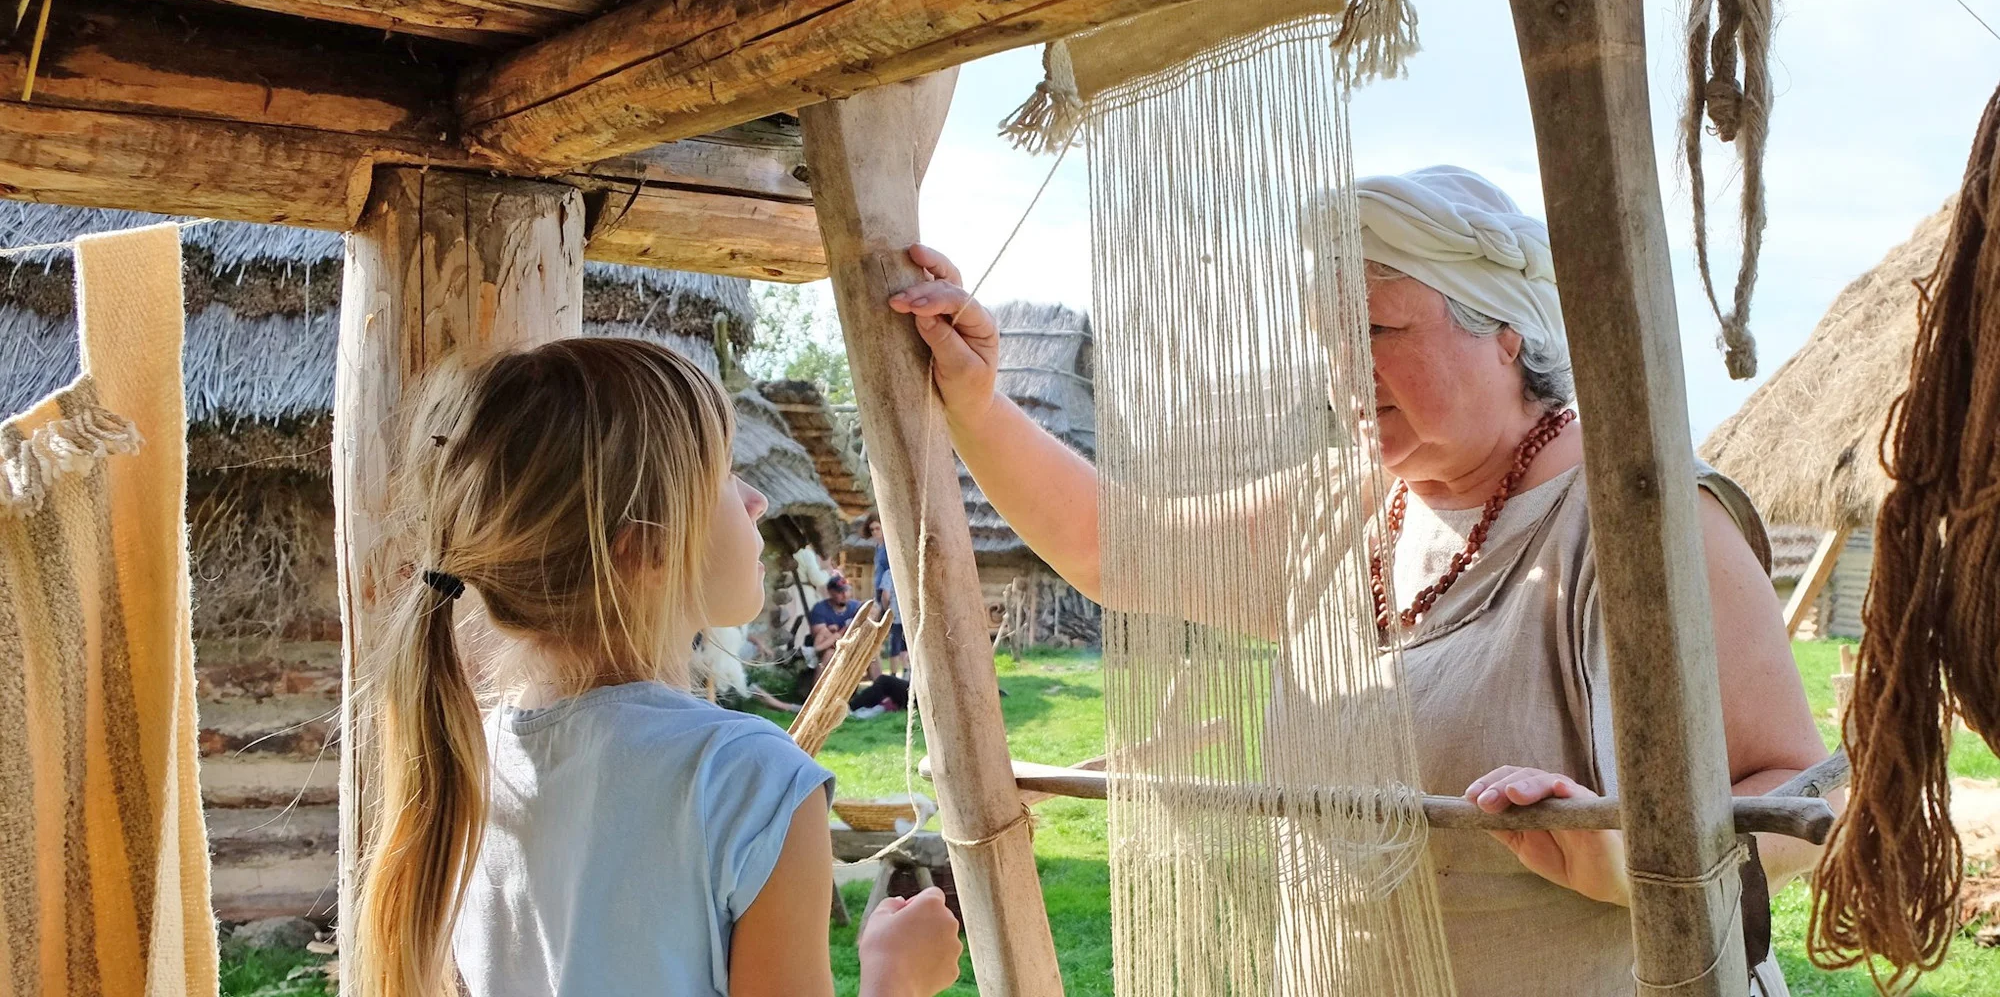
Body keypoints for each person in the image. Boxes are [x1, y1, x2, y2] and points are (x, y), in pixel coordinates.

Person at [885, 166, 1833, 997]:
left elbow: (1799, 794)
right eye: (1325, 334)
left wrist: (1627, 858)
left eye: (1375, 326)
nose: (1342, 367)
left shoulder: (1641, 521)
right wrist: (976, 397)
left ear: (1504, 332)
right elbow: (1112, 548)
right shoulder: (1345, 510)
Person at [351, 338, 961, 997]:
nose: (757, 500)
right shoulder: (747, 777)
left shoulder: (473, 759)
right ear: (646, 546)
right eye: (726, 471)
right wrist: (895, 980)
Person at [868, 516, 910, 676]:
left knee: (893, 636)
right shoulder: (877, 547)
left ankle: (899, 671)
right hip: (880, 590)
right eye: (872, 529)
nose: (875, 532)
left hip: (889, 591)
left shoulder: (888, 548)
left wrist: (887, 607)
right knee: (879, 634)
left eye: (877, 528)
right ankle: (882, 673)